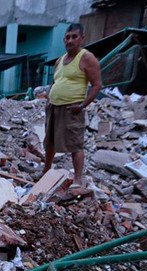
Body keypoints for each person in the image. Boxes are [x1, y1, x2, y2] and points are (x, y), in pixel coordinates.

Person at [43, 23, 102, 186]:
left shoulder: (87, 58)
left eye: (74, 37)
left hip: (72, 108)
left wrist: (82, 106)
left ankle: (77, 179)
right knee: (50, 143)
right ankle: (45, 172)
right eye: (67, 37)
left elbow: (97, 85)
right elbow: (55, 82)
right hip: (54, 107)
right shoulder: (60, 60)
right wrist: (48, 100)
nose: (70, 40)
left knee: (75, 144)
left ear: (82, 38)